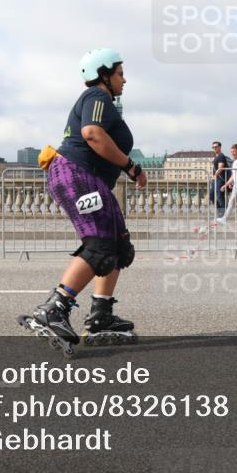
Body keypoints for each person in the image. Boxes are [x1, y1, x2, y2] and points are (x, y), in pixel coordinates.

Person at [18, 48, 147, 355]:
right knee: (99, 246)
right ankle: (54, 309)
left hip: (87, 178)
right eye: (120, 73)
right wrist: (132, 167)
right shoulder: (97, 98)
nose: (124, 79)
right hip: (77, 175)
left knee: (118, 245)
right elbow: (92, 134)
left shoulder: (102, 101)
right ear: (104, 75)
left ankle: (101, 314)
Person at [216, 143, 237, 225]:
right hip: (236, 185)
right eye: (231, 151)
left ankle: (225, 218)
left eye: (234, 151)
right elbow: (233, 176)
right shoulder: (235, 162)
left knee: (232, 200)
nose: (232, 153)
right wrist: (226, 185)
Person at [209, 140, 230, 217]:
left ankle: (223, 214)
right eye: (213, 147)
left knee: (219, 196)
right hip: (216, 180)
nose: (214, 148)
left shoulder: (221, 156)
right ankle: (220, 211)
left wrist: (214, 176)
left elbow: (220, 168)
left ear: (220, 147)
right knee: (212, 195)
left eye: (216, 147)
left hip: (220, 180)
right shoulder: (216, 156)